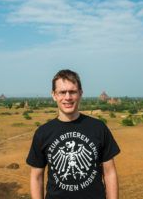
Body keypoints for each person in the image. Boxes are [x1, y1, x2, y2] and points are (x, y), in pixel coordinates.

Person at [26, 69, 121, 199]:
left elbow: (110, 173)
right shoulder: (43, 133)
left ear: (80, 94)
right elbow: (36, 176)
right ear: (54, 95)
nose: (67, 97)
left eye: (72, 92)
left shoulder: (98, 128)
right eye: (62, 92)